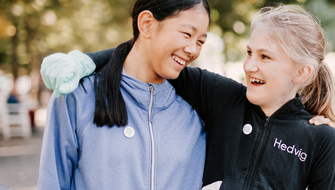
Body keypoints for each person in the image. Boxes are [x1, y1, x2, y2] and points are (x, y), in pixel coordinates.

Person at [41, 4, 335, 190]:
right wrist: (88, 61)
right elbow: (143, 56)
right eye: (249, 53)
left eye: (265, 56)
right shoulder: (224, 100)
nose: (250, 65)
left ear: (302, 72)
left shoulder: (319, 138)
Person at [37, 0, 211, 189]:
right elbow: (52, 183)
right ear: (147, 24)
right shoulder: (77, 96)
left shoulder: (196, 113)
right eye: (187, 34)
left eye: (200, 41)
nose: (193, 50)